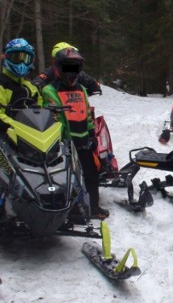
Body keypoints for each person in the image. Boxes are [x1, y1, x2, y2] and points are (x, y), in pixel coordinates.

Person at [40, 42, 109, 219]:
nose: (71, 71)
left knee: (91, 174)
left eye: (75, 67)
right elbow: (54, 118)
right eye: (67, 66)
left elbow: (86, 113)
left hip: (84, 140)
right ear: (57, 66)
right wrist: (62, 140)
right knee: (66, 176)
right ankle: (67, 210)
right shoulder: (49, 90)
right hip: (64, 142)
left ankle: (94, 207)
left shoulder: (82, 90)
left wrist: (92, 134)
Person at [0, 38, 43, 144]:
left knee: (54, 155)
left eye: (26, 58)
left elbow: (41, 110)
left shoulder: (31, 87)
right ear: (6, 57)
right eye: (16, 58)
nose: (22, 62)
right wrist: (17, 126)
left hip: (29, 136)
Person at [33, 42, 102, 96]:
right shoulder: (50, 72)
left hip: (77, 105)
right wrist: (44, 90)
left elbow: (91, 82)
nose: (70, 68)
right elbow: (37, 82)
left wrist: (95, 87)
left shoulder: (79, 74)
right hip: (54, 105)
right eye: (66, 64)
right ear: (56, 63)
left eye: (73, 64)